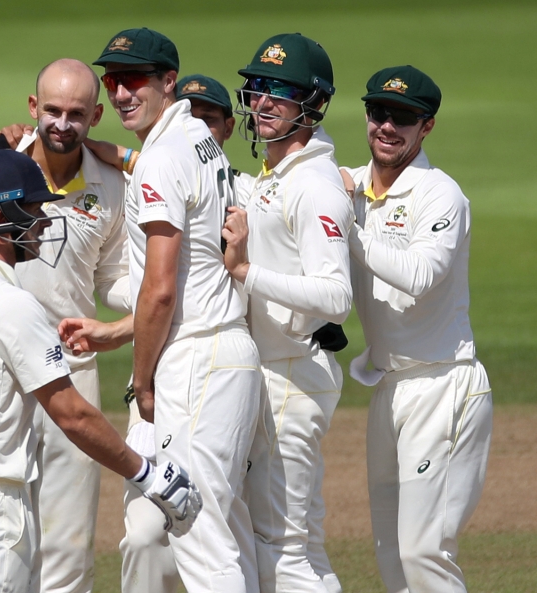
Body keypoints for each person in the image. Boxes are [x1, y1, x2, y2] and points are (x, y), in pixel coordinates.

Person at [0, 149, 201, 593]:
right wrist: (148, 475)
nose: (46, 223)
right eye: (33, 211)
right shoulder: (11, 305)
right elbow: (73, 414)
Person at [91, 28, 262, 593]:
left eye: (134, 80)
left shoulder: (164, 157)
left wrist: (141, 380)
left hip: (195, 359)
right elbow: (147, 163)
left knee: (199, 536)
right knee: (223, 528)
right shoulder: (196, 137)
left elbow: (160, 289)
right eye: (112, 81)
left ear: (168, 82)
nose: (119, 93)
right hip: (228, 348)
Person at [343, 65, 492, 593]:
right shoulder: (349, 186)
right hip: (388, 386)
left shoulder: (440, 195)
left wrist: (350, 232)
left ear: (426, 126)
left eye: (403, 117)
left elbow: (422, 275)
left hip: (442, 383)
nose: (387, 126)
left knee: (425, 550)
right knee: (392, 556)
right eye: (379, 112)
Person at [0, 58, 130, 593]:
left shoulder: (112, 185)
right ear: (32, 108)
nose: (61, 124)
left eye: (75, 113)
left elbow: (114, 276)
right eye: (51, 110)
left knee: (68, 542)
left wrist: (141, 313)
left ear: (95, 115)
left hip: (70, 366)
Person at [223, 32, 353, 593]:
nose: (264, 101)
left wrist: (247, 272)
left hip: (293, 377)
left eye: (282, 90)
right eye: (257, 87)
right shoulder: (277, 176)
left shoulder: (314, 185)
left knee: (283, 553)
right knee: (299, 546)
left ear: (313, 102)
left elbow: (335, 296)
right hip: (276, 374)